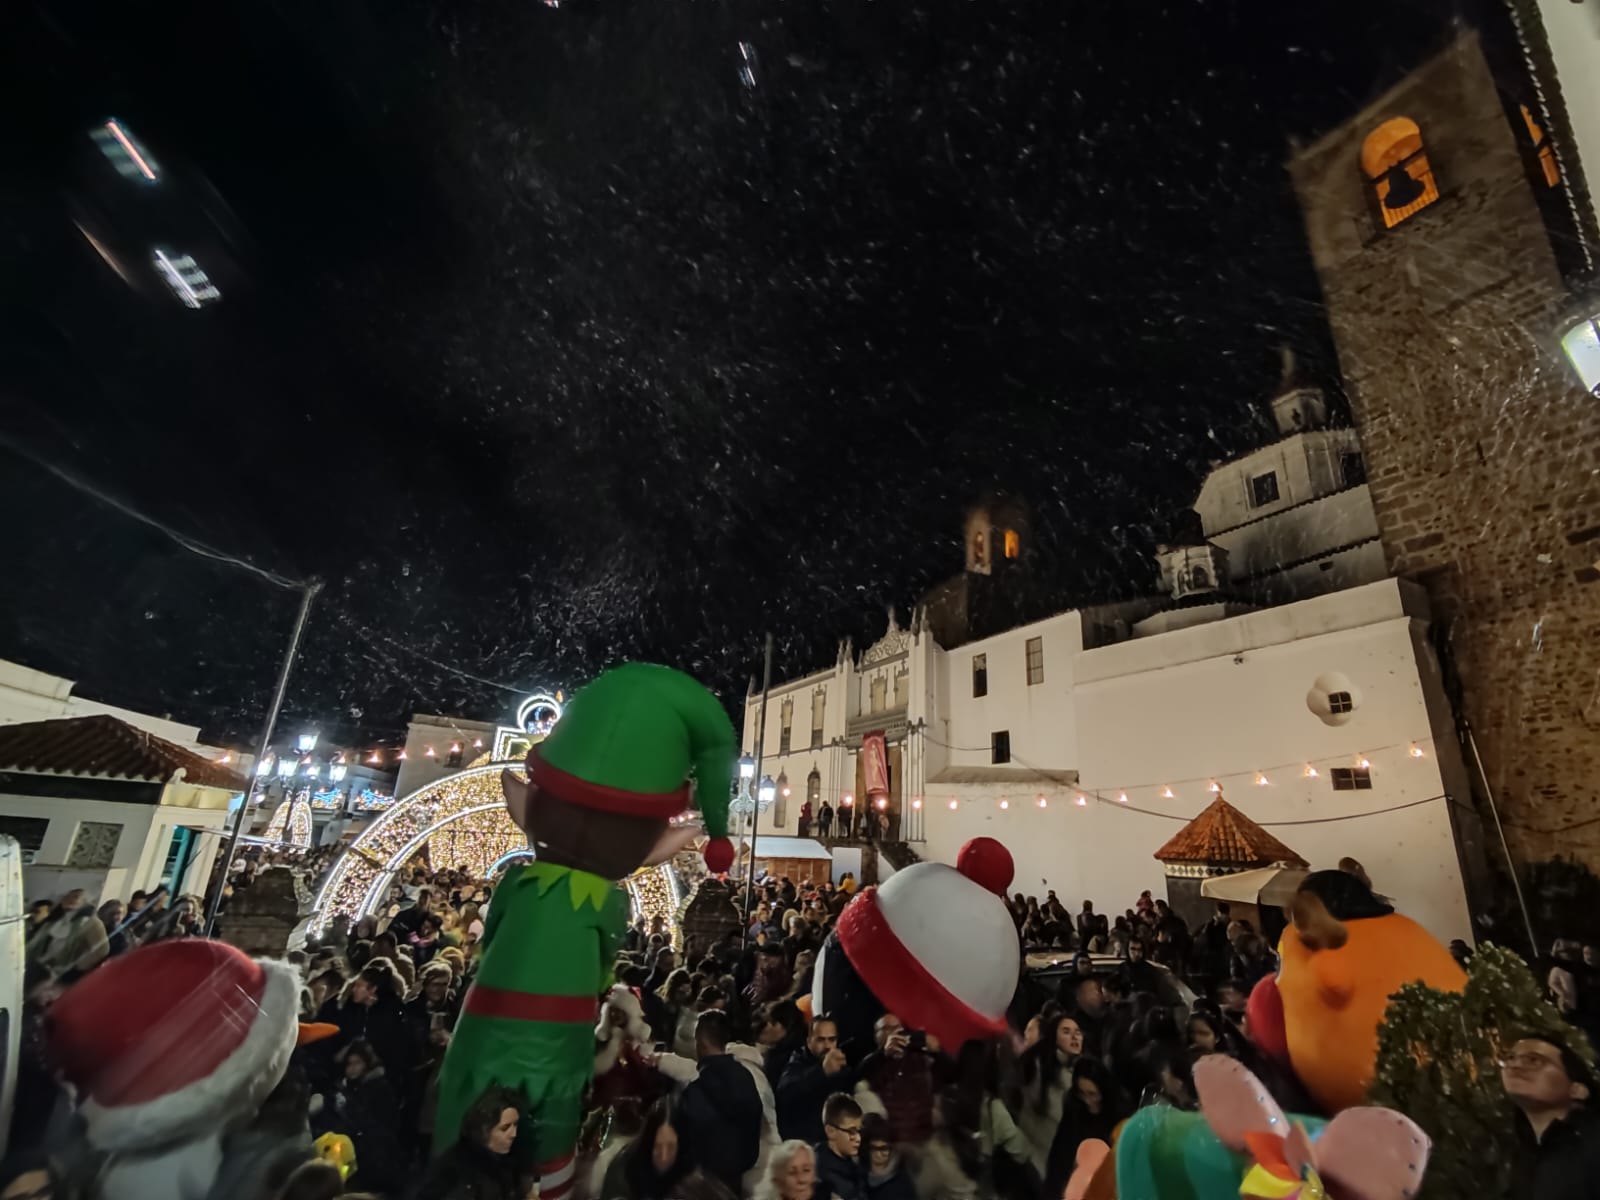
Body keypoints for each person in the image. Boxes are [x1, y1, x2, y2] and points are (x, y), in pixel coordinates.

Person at [1502, 1032, 1600, 1199]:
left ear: (1577, 1090)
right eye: (1510, 1058)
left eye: (1534, 1060)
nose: (1514, 1066)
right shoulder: (1523, 1158)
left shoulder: (1593, 1141)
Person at [676, 1011, 764, 1193]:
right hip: (737, 1180)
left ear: (700, 1043)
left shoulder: (695, 1090)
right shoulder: (746, 1077)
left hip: (703, 1185)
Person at [415, 1085, 524, 1200]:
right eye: (505, 1128)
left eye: (515, 1125)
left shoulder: (503, 1161)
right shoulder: (459, 1172)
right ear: (484, 1129)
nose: (514, 1134)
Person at [856, 1014, 935, 1148]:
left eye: (897, 1028)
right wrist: (884, 1054)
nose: (893, 1032)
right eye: (887, 1028)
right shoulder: (873, 1063)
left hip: (923, 1136)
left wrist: (937, 1051)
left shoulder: (919, 1058)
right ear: (876, 1036)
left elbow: (950, 1075)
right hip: (889, 1139)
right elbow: (859, 1076)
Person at [777, 1016, 857, 1143]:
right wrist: (822, 1071)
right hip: (804, 1141)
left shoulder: (841, 1067)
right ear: (809, 1042)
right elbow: (785, 1093)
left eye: (832, 1039)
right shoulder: (797, 1062)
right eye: (821, 1040)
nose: (827, 1046)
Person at [815, 1094, 866, 1200]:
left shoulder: (855, 1167)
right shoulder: (820, 1175)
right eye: (851, 1132)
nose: (858, 1138)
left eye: (859, 1131)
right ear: (830, 1131)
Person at [858, 1113, 916, 1200]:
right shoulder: (858, 1176)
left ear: (892, 1150)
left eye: (883, 1149)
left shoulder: (902, 1185)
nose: (878, 1154)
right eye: (873, 1148)